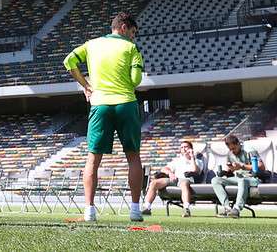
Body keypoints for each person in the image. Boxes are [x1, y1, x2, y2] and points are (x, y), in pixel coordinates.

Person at [64, 12, 144, 222]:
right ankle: (135, 210)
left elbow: (69, 61)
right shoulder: (130, 48)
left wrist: (86, 85)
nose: (133, 37)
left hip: (100, 104)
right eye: (133, 33)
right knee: (133, 157)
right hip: (126, 103)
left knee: (92, 160)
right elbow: (135, 80)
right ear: (124, 28)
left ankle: (89, 211)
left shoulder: (91, 44)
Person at [142, 140, 203, 217]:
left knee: (184, 184)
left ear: (191, 148)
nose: (184, 149)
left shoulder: (198, 161)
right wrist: (170, 173)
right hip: (175, 179)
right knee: (154, 183)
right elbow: (164, 169)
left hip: (187, 179)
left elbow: (195, 170)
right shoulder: (177, 160)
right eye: (182, 147)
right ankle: (147, 207)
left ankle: (186, 209)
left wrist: (192, 157)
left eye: (186, 147)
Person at [212, 135, 260, 218]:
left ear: (238, 144)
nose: (232, 151)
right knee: (215, 180)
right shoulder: (230, 154)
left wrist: (242, 166)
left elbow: (260, 166)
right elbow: (229, 169)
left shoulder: (249, 150)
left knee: (242, 180)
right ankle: (227, 208)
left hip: (251, 177)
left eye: (234, 148)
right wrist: (227, 171)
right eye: (230, 149)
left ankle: (237, 209)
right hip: (237, 177)